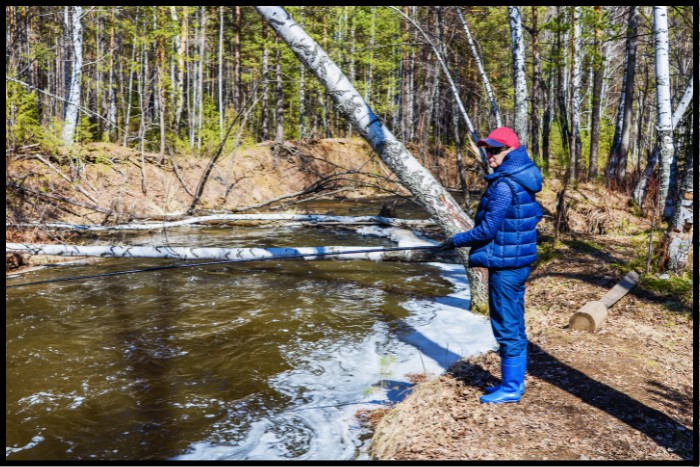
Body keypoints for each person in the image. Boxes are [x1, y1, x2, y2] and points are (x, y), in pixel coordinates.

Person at [439, 127, 543, 404]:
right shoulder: (525, 177)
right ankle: (513, 384)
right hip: (519, 262)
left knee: (506, 325)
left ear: (512, 151)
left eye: (496, 150)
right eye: (487, 150)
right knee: (514, 323)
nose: (490, 155)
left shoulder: (504, 184)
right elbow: (534, 215)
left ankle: (511, 388)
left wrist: (454, 241)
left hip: (507, 268)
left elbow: (486, 230)